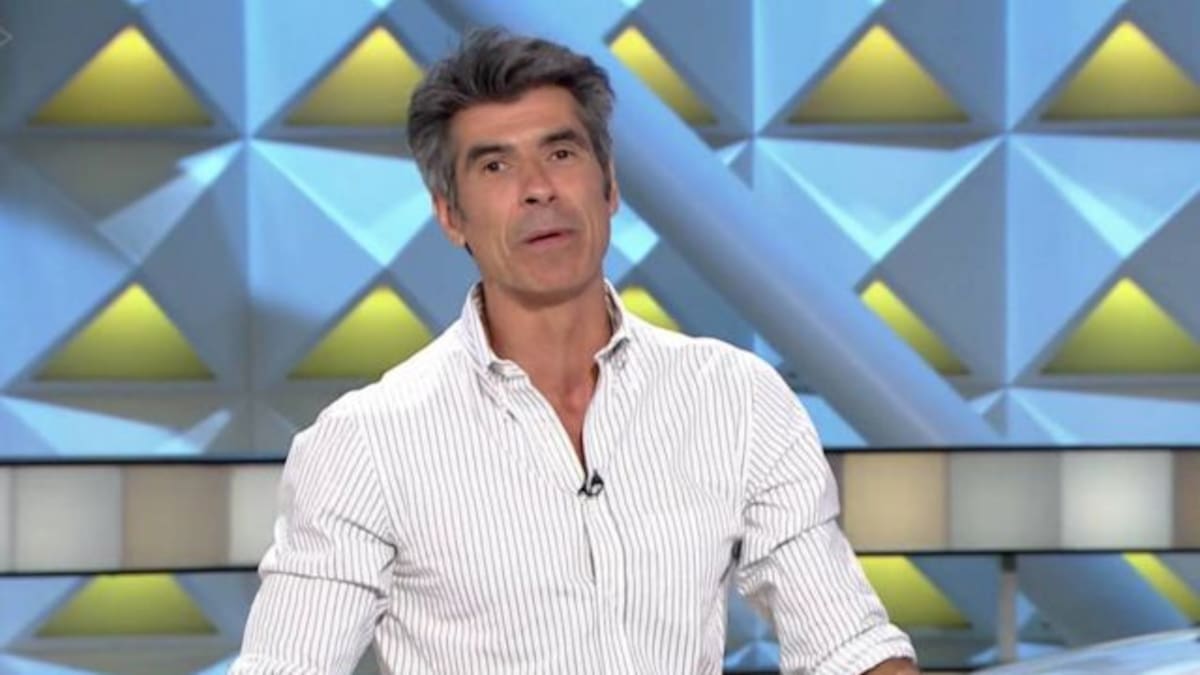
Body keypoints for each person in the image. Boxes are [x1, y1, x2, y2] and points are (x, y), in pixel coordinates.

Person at [230, 28, 919, 675]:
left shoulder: (735, 397)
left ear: (609, 185)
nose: (538, 188)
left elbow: (847, 647)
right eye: (495, 165)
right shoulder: (366, 443)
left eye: (560, 153)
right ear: (450, 215)